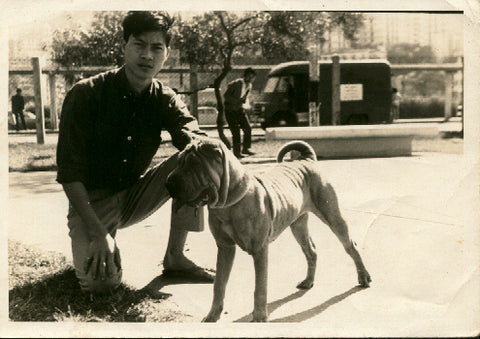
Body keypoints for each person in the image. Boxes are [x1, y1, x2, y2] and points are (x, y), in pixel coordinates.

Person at [56, 11, 214, 294]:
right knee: (100, 285)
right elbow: (69, 174)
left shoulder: (164, 97)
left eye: (157, 48)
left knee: (197, 156)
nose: (147, 56)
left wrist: (208, 154)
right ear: (123, 47)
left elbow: (191, 133)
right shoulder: (86, 94)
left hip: (134, 194)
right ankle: (96, 243)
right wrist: (98, 232)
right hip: (92, 205)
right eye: (139, 45)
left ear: (167, 53)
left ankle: (175, 256)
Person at [223, 67, 256, 158]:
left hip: (239, 110)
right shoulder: (237, 83)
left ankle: (246, 148)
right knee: (236, 132)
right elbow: (226, 96)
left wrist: (245, 104)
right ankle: (237, 153)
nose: (250, 79)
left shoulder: (249, 86)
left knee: (247, 128)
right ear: (244, 76)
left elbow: (244, 98)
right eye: (248, 76)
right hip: (230, 110)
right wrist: (236, 101)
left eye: (252, 77)